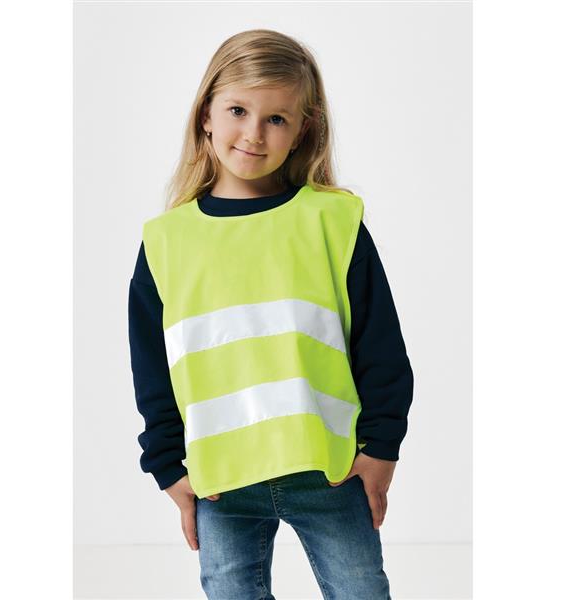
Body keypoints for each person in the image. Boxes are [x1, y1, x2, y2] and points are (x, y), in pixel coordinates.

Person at [128, 28, 414, 600]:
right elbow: (152, 368)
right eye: (238, 110)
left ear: (303, 128)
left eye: (276, 118)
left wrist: (381, 449)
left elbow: (381, 346)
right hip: (221, 483)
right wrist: (168, 467)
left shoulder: (332, 222)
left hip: (328, 471)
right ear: (206, 115)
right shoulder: (166, 242)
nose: (254, 133)